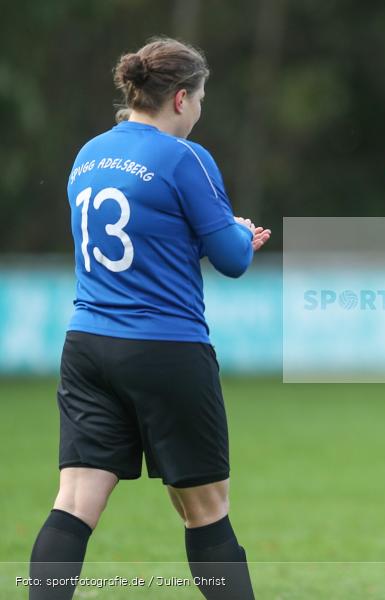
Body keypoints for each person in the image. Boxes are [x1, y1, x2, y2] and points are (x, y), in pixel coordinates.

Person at [28, 38, 269, 600]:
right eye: (201, 97)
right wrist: (236, 231)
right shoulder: (185, 157)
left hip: (87, 345)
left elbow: (145, 236)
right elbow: (232, 259)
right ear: (181, 98)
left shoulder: (88, 153)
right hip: (165, 348)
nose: (200, 110)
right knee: (206, 511)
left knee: (75, 502)